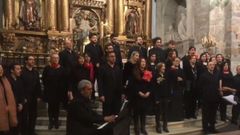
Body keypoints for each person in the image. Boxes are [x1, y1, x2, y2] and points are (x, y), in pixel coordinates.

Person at [42, 53, 65, 129]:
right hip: (50, 91)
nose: (56, 59)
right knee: (50, 107)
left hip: (58, 92)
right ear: (51, 59)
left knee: (57, 107)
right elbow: (44, 79)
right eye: (54, 58)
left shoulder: (61, 68)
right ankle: (50, 122)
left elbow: (64, 80)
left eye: (57, 58)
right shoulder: (47, 68)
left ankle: (56, 121)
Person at [198, 61, 221, 134]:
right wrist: (202, 97)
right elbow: (199, 87)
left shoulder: (216, 75)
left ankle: (212, 128)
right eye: (210, 65)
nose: (212, 66)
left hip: (215, 98)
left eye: (213, 65)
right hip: (206, 98)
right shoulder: (203, 75)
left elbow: (218, 86)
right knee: (206, 115)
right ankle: (205, 129)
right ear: (207, 66)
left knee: (213, 114)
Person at [98, 51, 123, 116]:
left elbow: (120, 81)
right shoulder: (102, 68)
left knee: (116, 113)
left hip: (117, 95)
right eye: (111, 56)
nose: (114, 58)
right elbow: (100, 82)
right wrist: (101, 94)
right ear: (107, 58)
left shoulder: (117, 68)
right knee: (107, 113)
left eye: (114, 56)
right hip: (107, 94)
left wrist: (122, 92)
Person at [21, 55, 41, 135]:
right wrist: (22, 98)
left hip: (33, 97)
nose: (32, 61)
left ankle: (31, 131)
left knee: (33, 115)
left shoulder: (35, 72)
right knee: (25, 116)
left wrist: (39, 96)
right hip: (25, 97)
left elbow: (38, 85)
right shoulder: (22, 72)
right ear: (26, 61)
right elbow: (20, 85)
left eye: (33, 59)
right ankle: (24, 132)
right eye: (30, 59)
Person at [132, 58, 152, 135]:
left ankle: (143, 127)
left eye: (144, 62)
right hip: (137, 96)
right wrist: (138, 92)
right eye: (142, 61)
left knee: (144, 112)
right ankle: (136, 127)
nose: (143, 63)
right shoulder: (135, 72)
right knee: (136, 113)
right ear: (139, 63)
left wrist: (148, 92)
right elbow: (133, 85)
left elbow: (150, 84)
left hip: (146, 95)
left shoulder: (148, 72)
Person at [7, 63, 25, 135]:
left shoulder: (19, 80)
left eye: (20, 69)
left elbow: (22, 93)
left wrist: (21, 103)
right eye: (17, 69)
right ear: (12, 70)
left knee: (18, 126)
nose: (20, 70)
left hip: (19, 107)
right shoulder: (7, 81)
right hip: (10, 107)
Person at [0, 64, 18, 135]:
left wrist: (8, 106)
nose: (0, 71)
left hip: (7, 108)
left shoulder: (5, 79)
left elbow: (9, 94)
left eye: (1, 70)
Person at [59, 39, 78, 103]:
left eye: (70, 43)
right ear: (65, 45)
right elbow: (61, 65)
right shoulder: (62, 53)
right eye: (67, 43)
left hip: (74, 75)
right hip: (66, 76)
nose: (69, 45)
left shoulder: (75, 53)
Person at [153, 63, 170, 133]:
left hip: (165, 97)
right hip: (159, 98)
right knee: (158, 113)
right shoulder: (155, 76)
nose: (164, 68)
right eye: (163, 67)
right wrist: (156, 98)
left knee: (165, 113)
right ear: (159, 68)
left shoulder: (166, 75)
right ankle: (158, 126)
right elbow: (154, 88)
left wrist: (168, 97)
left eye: (164, 67)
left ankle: (165, 126)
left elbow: (168, 86)